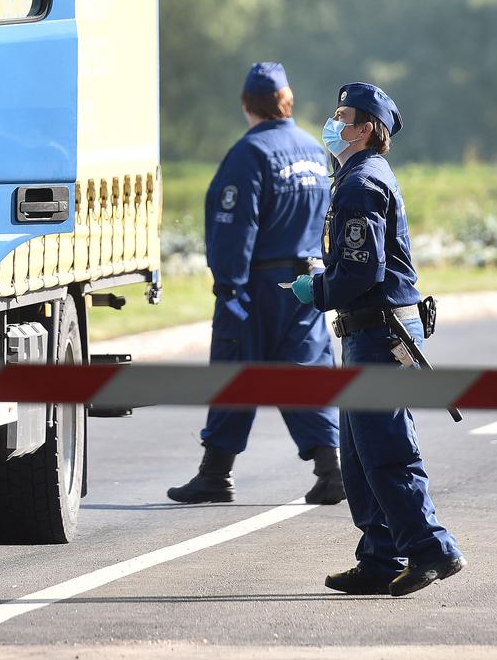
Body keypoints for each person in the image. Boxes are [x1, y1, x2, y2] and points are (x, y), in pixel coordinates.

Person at [290, 83, 466, 597]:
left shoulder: (361, 184)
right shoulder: (356, 177)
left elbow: (363, 269)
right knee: (359, 454)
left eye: (341, 116)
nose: (332, 123)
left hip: (380, 333)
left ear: (366, 129)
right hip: (370, 330)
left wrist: (319, 288)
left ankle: (432, 549)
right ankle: (380, 557)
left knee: (386, 451)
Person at [167, 63, 343, 506]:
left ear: (247, 104)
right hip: (308, 282)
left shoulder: (250, 154)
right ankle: (331, 470)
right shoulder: (313, 149)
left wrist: (229, 287)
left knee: (235, 373)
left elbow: (234, 226)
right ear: (287, 101)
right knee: (306, 373)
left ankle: (215, 474)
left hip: (259, 284)